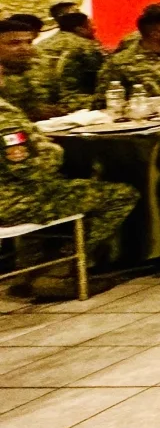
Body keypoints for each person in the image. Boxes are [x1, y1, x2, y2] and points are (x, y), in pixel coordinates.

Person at [0, 33, 137, 295]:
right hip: (15, 201)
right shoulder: (5, 117)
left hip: (11, 196)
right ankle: (59, 270)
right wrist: (54, 153)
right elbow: (24, 169)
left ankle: (30, 271)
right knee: (120, 195)